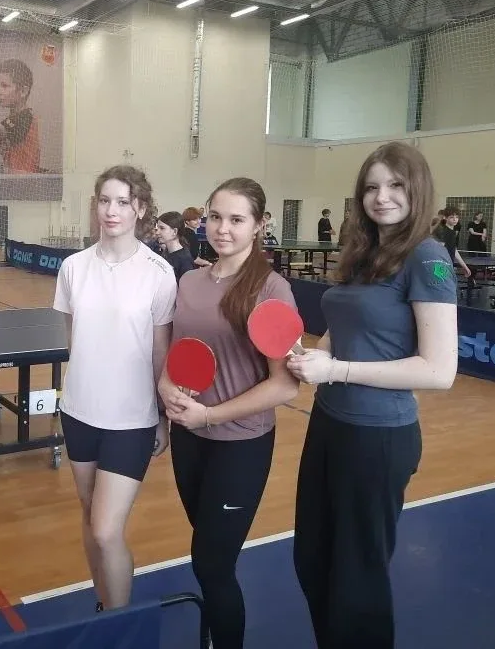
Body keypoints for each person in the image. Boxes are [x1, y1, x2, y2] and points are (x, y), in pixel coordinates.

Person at [286, 141, 459, 649]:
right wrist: (313, 355)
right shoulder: (365, 254)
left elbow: (439, 370)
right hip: (329, 424)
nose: (381, 197)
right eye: (371, 187)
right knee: (312, 558)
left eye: (395, 185)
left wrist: (336, 369)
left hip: (378, 437)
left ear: (417, 190)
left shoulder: (428, 257)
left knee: (356, 576)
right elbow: (343, 328)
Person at [157, 178, 300, 649]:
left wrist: (210, 415)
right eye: (216, 217)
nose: (223, 229)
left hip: (240, 444)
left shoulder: (272, 289)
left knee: (212, 565)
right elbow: (175, 353)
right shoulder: (189, 281)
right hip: (189, 438)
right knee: (208, 552)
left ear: (259, 225)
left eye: (237, 219)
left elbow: (285, 384)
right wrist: (166, 389)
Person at [53, 164, 175, 613]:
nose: (112, 210)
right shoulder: (73, 267)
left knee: (106, 530)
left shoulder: (159, 273)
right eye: (105, 200)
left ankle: (121, 624)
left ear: (140, 208)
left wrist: (162, 416)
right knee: (90, 517)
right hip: (79, 412)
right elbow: (74, 339)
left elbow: (160, 351)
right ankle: (103, 606)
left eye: (123, 201)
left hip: (131, 419)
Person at [155, 211, 196, 282]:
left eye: (162, 228)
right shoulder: (167, 252)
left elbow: (187, 285)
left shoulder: (184, 260)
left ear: (174, 231)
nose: (157, 232)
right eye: (157, 228)